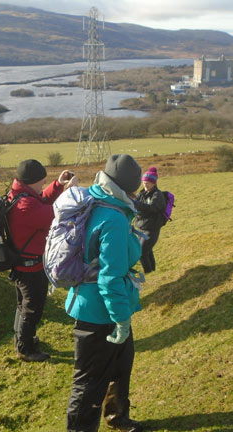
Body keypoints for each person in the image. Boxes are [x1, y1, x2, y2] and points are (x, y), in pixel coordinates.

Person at [65, 154, 144, 432]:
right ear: (127, 187)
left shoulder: (97, 199)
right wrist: (121, 320)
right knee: (88, 383)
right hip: (99, 314)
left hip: (101, 306)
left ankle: (117, 416)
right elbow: (110, 278)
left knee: (121, 368)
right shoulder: (113, 217)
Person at [7, 159, 78, 362]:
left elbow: (41, 200)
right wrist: (68, 192)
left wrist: (57, 184)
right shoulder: (26, 206)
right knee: (32, 308)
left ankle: (21, 338)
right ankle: (25, 348)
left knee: (23, 305)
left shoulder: (19, 194)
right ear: (31, 182)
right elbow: (55, 213)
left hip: (21, 263)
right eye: (42, 181)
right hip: (31, 267)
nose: (43, 184)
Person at [133, 166, 167, 274]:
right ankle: (153, 271)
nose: (145, 184)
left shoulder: (158, 195)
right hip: (141, 227)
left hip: (151, 229)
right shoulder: (142, 193)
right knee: (147, 250)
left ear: (154, 183)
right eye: (144, 182)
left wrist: (137, 204)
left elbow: (152, 208)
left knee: (141, 252)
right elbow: (135, 203)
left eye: (147, 182)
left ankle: (147, 272)